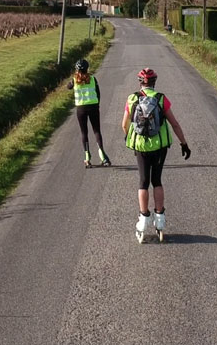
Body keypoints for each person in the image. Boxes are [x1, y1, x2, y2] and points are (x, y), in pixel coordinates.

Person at [121, 68, 191, 243]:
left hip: (141, 146)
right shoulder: (161, 99)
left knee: (143, 181)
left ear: (140, 82)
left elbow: (124, 124)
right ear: (154, 82)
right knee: (157, 180)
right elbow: (174, 123)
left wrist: (130, 137)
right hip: (160, 146)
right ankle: (159, 218)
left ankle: (143, 219)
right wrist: (184, 143)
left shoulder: (132, 98)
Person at [68, 59, 110, 167]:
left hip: (81, 109)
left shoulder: (74, 80)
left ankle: (87, 157)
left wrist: (74, 79)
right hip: (94, 107)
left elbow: (68, 87)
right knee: (96, 131)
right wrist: (97, 104)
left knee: (84, 133)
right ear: (87, 69)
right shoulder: (93, 79)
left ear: (77, 70)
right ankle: (102, 155)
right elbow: (98, 93)